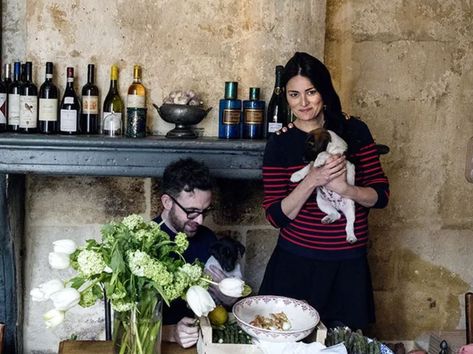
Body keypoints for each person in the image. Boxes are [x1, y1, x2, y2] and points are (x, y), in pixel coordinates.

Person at [259, 52, 389, 331]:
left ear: (324, 91)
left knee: (343, 347)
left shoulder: (354, 130)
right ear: (287, 98)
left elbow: (381, 196)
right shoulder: (280, 144)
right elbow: (274, 217)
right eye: (294, 95)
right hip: (295, 265)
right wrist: (312, 180)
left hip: (347, 267)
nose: (303, 103)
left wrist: (346, 189)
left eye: (311, 92)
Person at [157, 158, 236, 348]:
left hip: (206, 342)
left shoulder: (208, 239)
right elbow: (130, 321)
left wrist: (227, 296)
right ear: (167, 202)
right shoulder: (143, 241)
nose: (200, 221)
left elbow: (222, 307)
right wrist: (171, 333)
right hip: (160, 344)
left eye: (205, 211)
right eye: (191, 211)